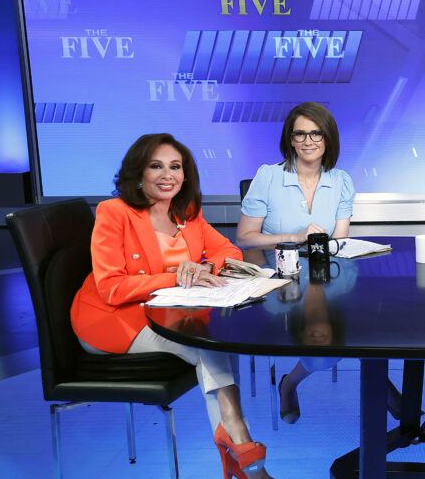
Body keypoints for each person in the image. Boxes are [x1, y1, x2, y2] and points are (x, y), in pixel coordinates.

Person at [70, 133, 274, 479]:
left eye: (175, 167)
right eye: (156, 166)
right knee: (208, 350)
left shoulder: (187, 213)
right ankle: (243, 448)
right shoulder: (114, 213)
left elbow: (230, 251)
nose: (168, 175)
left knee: (213, 345)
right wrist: (175, 278)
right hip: (112, 321)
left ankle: (240, 453)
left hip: (167, 316)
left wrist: (206, 267)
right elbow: (111, 288)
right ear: (138, 173)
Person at [236, 102, 375, 425]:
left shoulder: (341, 180)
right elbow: (245, 237)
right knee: (322, 333)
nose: (309, 141)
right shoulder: (268, 176)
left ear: (329, 139)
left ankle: (291, 381)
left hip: (326, 276)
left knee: (359, 324)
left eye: (317, 133)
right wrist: (296, 236)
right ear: (290, 139)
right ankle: (296, 383)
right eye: (301, 134)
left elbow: (339, 242)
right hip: (277, 280)